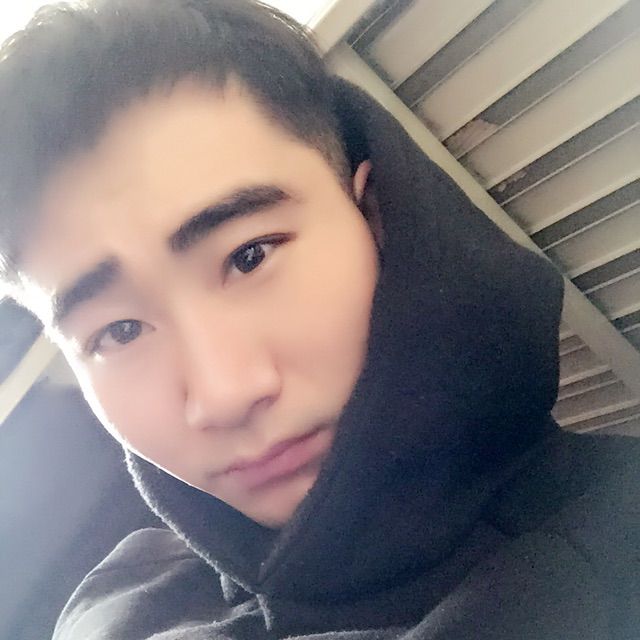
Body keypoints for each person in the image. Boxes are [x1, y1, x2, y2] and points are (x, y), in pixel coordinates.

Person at [0, 1, 638, 639]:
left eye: (250, 256)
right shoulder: (116, 595)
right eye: (119, 331)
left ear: (377, 214)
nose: (224, 394)